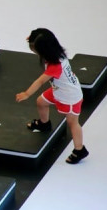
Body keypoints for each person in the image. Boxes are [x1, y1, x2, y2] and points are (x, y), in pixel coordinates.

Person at [15, 28, 89, 164]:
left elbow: (40, 81)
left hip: (70, 96)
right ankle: (44, 124)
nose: (33, 50)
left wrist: (26, 94)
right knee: (41, 102)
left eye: (34, 49)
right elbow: (44, 38)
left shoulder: (55, 65)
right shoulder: (56, 52)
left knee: (72, 123)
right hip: (58, 90)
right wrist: (33, 38)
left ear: (44, 50)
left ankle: (80, 150)